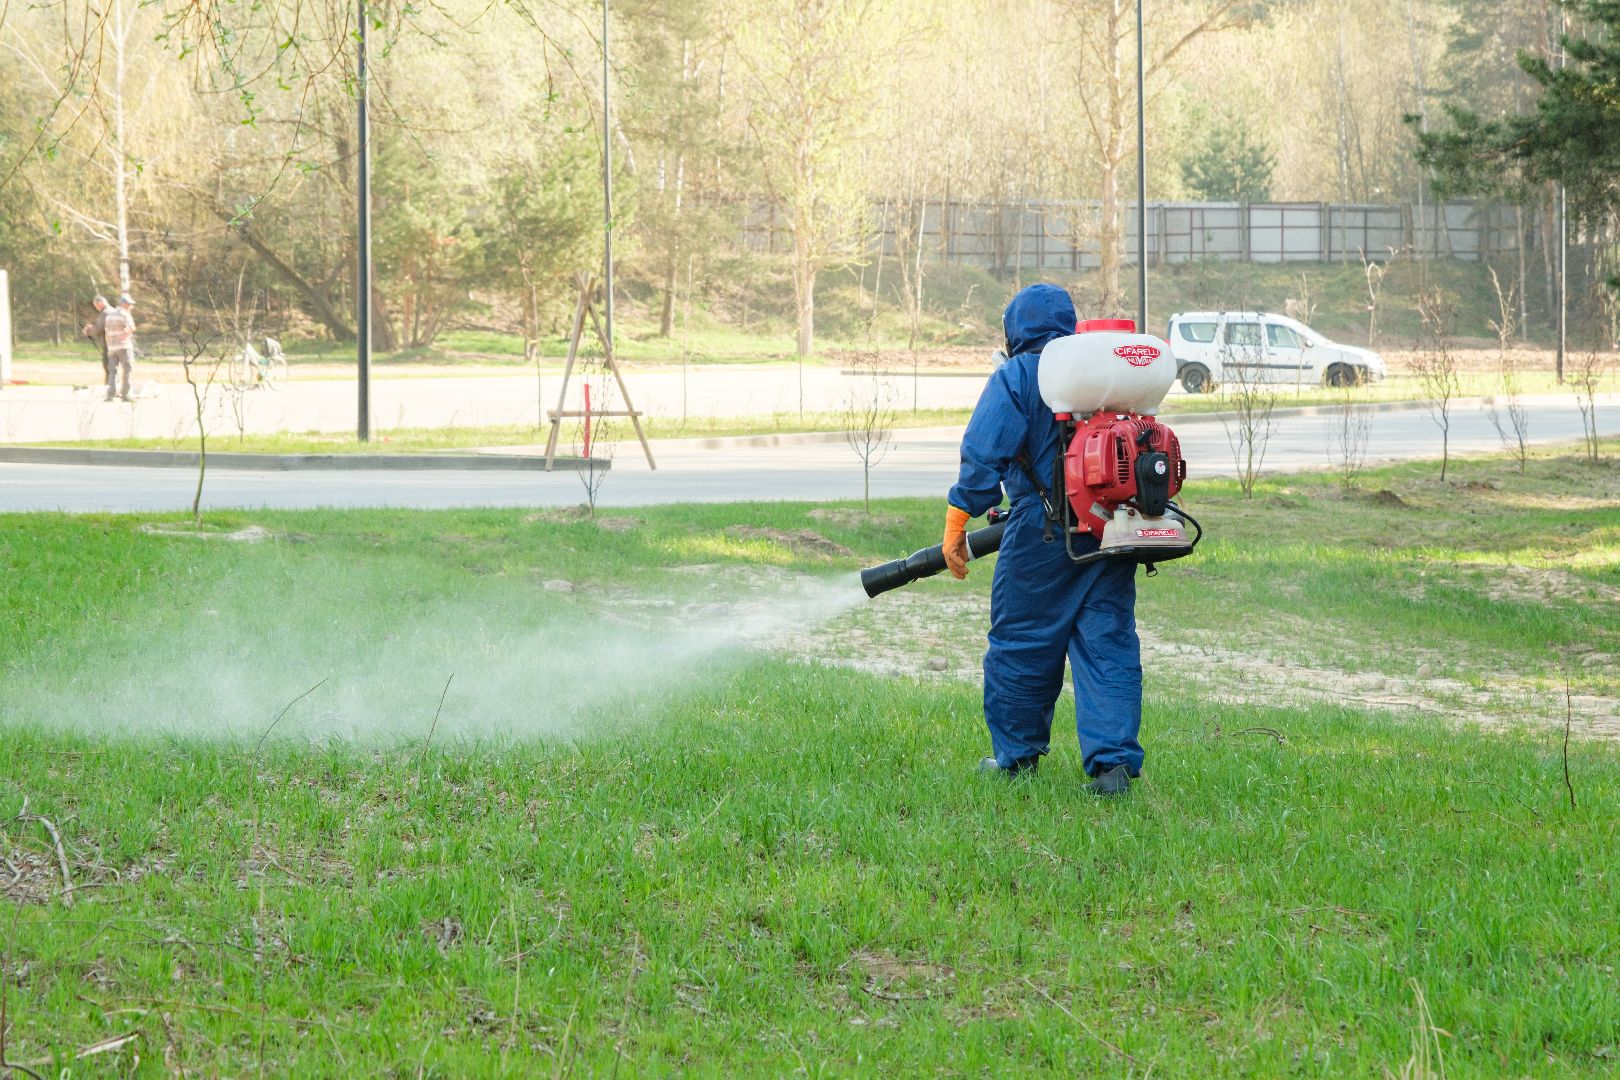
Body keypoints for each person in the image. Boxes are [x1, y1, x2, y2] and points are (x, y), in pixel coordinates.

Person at [942, 283, 1143, 797]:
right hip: (1111, 525)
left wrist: (958, 517)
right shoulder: (1103, 368)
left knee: (1022, 643)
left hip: (1043, 527)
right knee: (1107, 642)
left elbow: (984, 448)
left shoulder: (1019, 374)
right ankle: (1112, 766)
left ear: (1015, 332)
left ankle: (1016, 757)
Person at [102, 293, 137, 402]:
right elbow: (131, 328)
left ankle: (110, 395)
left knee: (113, 372)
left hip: (111, 347)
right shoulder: (125, 314)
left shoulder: (109, 315)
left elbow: (106, 330)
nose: (131, 307)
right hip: (124, 346)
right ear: (124, 304)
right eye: (130, 304)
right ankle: (125, 394)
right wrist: (126, 334)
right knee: (127, 370)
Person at [82, 294, 111, 386]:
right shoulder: (113, 311)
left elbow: (98, 329)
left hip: (109, 344)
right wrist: (93, 327)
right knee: (112, 367)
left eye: (96, 306)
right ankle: (112, 387)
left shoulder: (105, 313)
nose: (96, 308)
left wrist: (88, 331)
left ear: (100, 303)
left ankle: (110, 388)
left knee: (108, 366)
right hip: (115, 343)